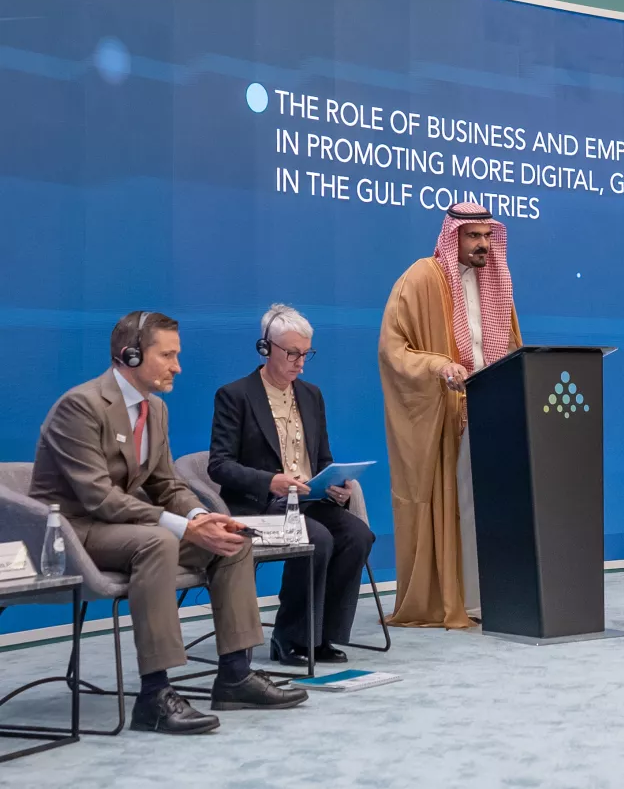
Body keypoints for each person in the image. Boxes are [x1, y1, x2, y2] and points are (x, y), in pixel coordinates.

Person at [29, 311, 307, 735]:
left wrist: (200, 516)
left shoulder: (154, 410)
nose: (178, 366)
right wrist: (179, 527)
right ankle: (155, 695)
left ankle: (235, 676)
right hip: (72, 530)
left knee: (233, 538)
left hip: (121, 525)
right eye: (168, 355)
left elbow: (166, 484)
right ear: (131, 355)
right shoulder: (81, 406)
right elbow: (97, 497)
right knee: (157, 542)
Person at [208, 304, 376, 666]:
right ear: (266, 348)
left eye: (306, 354)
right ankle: (289, 637)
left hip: (308, 501)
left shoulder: (311, 395)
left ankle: (322, 636)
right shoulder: (235, 395)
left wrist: (336, 484)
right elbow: (219, 465)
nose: (300, 362)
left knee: (357, 535)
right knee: (316, 538)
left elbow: (323, 459)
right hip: (259, 506)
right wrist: (271, 481)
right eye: (293, 353)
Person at [379, 203, 521, 629]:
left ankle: (493, 595)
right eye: (472, 235)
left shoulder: (498, 283)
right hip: (445, 414)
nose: (482, 244)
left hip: (492, 412)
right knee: (457, 504)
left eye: (486, 236)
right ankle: (453, 600)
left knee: (489, 504)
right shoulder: (423, 278)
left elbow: (509, 346)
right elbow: (393, 349)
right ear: (452, 236)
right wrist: (438, 367)